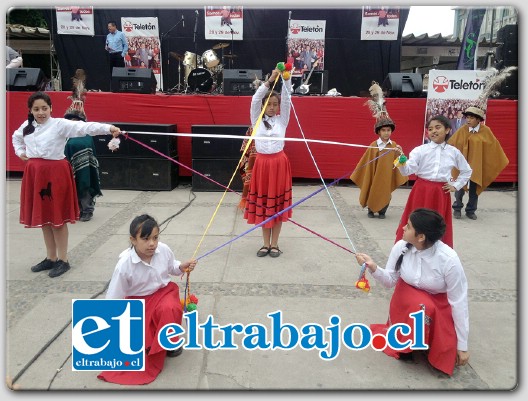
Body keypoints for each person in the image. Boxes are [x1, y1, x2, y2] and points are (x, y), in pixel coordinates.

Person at [12, 92, 121, 278]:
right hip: (35, 174)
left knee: (57, 218)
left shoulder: (59, 125)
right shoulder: (27, 126)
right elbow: (16, 138)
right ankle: (51, 257)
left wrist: (108, 128)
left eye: (44, 108)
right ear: (30, 110)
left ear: (51, 108)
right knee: (44, 218)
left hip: (55, 173)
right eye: (36, 109)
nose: (41, 113)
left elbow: (84, 127)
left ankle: (63, 260)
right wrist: (21, 152)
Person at [355, 208, 469, 376]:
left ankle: (425, 340)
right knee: (422, 307)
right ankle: (407, 345)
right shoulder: (401, 247)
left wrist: (463, 345)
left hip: (439, 301)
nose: (403, 228)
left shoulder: (449, 259)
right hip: (408, 297)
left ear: (421, 237)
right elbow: (390, 281)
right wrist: (373, 267)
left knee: (447, 349)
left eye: (408, 227)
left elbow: (459, 301)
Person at [98, 214, 197, 385]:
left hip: (163, 293)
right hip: (138, 303)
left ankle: (170, 341)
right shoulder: (124, 265)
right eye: (145, 238)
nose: (152, 243)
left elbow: (172, 267)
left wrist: (181, 266)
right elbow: (114, 296)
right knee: (141, 348)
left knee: (170, 309)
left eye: (155, 238)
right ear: (133, 240)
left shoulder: (163, 249)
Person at [394, 115, 472, 248]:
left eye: (438, 127)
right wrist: (401, 160)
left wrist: (455, 186)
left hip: (440, 192)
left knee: (437, 223)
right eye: (430, 129)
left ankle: (435, 252)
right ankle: (408, 249)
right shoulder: (420, 150)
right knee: (415, 221)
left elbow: (467, 171)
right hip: (421, 190)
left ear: (447, 130)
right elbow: (407, 171)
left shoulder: (454, 152)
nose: (433, 131)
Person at [243, 68, 292, 258]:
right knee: (265, 204)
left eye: (274, 104)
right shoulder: (256, 120)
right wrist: (271, 80)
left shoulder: (282, 121)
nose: (272, 107)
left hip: (279, 164)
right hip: (262, 165)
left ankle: (275, 244)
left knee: (277, 205)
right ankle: (265, 243)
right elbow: (255, 100)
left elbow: (287, 100)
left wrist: (286, 80)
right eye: (268, 104)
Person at [448, 106, 509, 220]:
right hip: (462, 166)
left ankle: (471, 210)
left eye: (471, 118)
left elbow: (493, 147)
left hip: (477, 165)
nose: (468, 120)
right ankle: (457, 208)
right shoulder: (462, 129)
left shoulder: (486, 131)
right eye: (467, 117)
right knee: (459, 187)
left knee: (474, 188)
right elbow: (452, 144)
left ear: (478, 119)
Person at [350, 116, 408, 218]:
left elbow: (399, 162)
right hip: (374, 174)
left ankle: (382, 211)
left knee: (385, 192)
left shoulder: (394, 145)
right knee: (372, 190)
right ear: (379, 132)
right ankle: (371, 210)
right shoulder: (374, 145)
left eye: (388, 130)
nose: (386, 133)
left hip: (387, 175)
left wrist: (401, 154)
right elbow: (366, 161)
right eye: (383, 130)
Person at [63, 109, 102, 222]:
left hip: (85, 168)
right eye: (70, 120)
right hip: (69, 165)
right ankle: (77, 210)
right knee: (72, 188)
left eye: (75, 120)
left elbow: (87, 148)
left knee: (84, 187)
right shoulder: (66, 135)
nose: (73, 122)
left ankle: (87, 211)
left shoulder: (85, 134)